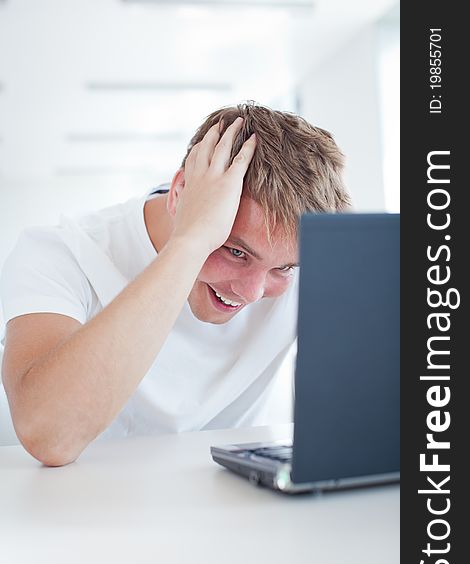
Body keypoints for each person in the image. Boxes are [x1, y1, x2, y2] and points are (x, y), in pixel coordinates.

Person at [0, 103, 350, 466]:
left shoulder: (305, 264)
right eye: (234, 251)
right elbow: (49, 434)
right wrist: (191, 240)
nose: (251, 292)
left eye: (283, 269)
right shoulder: (59, 253)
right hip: (87, 512)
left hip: (237, 506)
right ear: (181, 192)